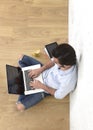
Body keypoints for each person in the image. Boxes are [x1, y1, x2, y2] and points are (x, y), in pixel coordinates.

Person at [16, 43, 77, 111]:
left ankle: (24, 81)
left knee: (20, 107)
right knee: (21, 57)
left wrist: (41, 86)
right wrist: (40, 69)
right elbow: (52, 62)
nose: (53, 61)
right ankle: (24, 79)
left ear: (64, 66)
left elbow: (58, 95)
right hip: (43, 71)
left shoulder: (68, 81)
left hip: (43, 88)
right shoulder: (63, 59)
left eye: (56, 62)